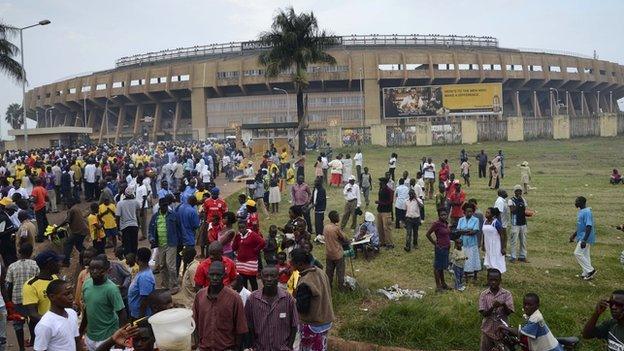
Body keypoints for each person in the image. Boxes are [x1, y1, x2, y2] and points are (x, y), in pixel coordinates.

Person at [192, 261, 248, 351]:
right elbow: (194, 323)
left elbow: (240, 328)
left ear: (224, 275)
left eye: (218, 275)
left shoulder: (234, 298)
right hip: (204, 348)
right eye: (212, 274)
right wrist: (198, 344)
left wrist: (236, 348)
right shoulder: (200, 296)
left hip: (226, 348)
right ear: (208, 275)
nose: (215, 278)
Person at [245, 266, 298, 351]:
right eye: (266, 276)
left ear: (278, 277)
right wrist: (253, 345)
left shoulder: (288, 299)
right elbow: (249, 325)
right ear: (261, 278)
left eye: (273, 276)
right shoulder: (252, 299)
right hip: (260, 348)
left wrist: (289, 346)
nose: (269, 279)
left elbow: (294, 325)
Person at [80, 254, 127, 351]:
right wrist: (80, 331)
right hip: (90, 337)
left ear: (106, 269)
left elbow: (122, 314)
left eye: (99, 269)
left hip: (107, 337)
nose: (95, 271)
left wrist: (120, 339)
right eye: (92, 268)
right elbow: (87, 309)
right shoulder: (86, 284)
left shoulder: (111, 289)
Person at [291, 248, 334, 351]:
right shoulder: (320, 272)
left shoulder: (305, 283)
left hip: (313, 324)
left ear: (300, 264)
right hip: (326, 320)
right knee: (321, 347)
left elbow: (302, 308)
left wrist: (292, 300)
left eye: (293, 262)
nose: (291, 264)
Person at [498, 293, 563, 351]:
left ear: (537, 306)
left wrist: (503, 327)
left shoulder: (536, 318)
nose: (526, 307)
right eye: (525, 304)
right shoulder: (531, 315)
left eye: (530, 305)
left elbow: (520, 333)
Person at [22, 250, 62, 342]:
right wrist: (54, 324)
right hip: (43, 330)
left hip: (59, 328)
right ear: (49, 265)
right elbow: (33, 314)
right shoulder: (31, 285)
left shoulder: (55, 279)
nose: (60, 264)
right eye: (57, 261)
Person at [6, 243, 39, 351]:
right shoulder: (35, 265)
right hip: (32, 299)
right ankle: (34, 342)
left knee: (18, 324)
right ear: (31, 253)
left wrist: (9, 301)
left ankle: (21, 348)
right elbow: (38, 281)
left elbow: (9, 285)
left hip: (17, 299)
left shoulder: (12, 266)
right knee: (33, 320)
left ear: (19, 253)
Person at [32, 280, 81, 351]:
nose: (71, 297)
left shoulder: (72, 313)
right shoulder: (45, 325)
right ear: (52, 297)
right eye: (66, 294)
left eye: (71, 293)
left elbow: (76, 340)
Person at [148, 197, 181, 294]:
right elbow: (150, 229)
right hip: (160, 244)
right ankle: (165, 285)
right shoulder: (155, 217)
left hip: (171, 243)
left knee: (171, 266)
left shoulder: (173, 215)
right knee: (162, 265)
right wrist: (151, 238)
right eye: (163, 206)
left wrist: (180, 242)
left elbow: (179, 229)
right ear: (160, 206)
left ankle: (174, 285)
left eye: (166, 205)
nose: (165, 207)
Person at [478, 268, 514, 351]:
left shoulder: (506, 294)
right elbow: (484, 314)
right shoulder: (483, 295)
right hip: (487, 330)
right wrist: (492, 307)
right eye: (491, 280)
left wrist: (503, 304)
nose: (493, 282)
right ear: (487, 280)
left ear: (500, 280)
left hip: (502, 332)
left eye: (496, 280)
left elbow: (509, 313)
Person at [569, 196, 597, 280]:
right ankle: (586, 272)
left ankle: (591, 270)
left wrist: (584, 240)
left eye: (577, 201)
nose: (575, 203)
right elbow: (581, 226)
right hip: (581, 236)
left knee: (577, 253)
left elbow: (588, 226)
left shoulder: (587, 212)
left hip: (586, 237)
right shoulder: (581, 211)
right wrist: (574, 235)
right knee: (585, 254)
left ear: (582, 202)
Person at [425, 208, 452, 292]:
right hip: (440, 248)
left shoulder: (446, 223)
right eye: (442, 215)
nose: (444, 216)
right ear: (439, 216)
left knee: (442, 267)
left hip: (446, 247)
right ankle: (438, 286)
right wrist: (435, 243)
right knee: (437, 267)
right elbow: (428, 234)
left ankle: (443, 283)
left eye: (445, 215)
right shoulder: (437, 224)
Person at [232, 225, 265, 291]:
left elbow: (262, 242)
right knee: (243, 281)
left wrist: (255, 250)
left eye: (243, 227)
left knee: (252, 281)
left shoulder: (253, 235)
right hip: (241, 263)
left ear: (246, 227)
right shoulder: (238, 236)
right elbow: (234, 247)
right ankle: (245, 297)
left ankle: (255, 295)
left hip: (250, 263)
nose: (241, 229)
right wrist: (236, 238)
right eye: (240, 228)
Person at [127, 247, 156, 320]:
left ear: (137, 258)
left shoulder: (144, 277)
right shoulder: (142, 272)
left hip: (140, 315)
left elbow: (145, 299)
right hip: (136, 313)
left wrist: (140, 318)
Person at [456, 202, 481, 282]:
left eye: (471, 211)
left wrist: (464, 231)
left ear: (473, 212)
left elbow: (474, 231)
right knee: (464, 259)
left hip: (472, 243)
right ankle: (465, 276)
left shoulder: (476, 220)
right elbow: (458, 231)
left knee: (474, 258)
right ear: (464, 212)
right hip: (463, 243)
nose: (469, 213)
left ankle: (475, 275)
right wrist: (468, 231)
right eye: (467, 211)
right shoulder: (461, 220)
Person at [324, 211, 348, 289]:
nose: (339, 218)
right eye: (338, 216)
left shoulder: (326, 227)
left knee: (329, 272)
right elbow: (344, 238)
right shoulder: (336, 228)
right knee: (340, 272)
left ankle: (328, 287)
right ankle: (341, 288)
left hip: (329, 253)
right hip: (338, 254)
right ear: (335, 218)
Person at [115, 187, 141, 255]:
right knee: (134, 244)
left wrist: (118, 229)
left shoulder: (120, 204)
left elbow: (117, 217)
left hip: (125, 227)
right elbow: (139, 209)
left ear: (124, 194)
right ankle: (134, 260)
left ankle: (128, 260)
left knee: (127, 245)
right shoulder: (135, 202)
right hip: (134, 225)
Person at [482, 207, 506, 274]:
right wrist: (483, 244)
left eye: (488, 213)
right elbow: (484, 234)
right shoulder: (484, 222)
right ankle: (490, 277)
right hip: (488, 245)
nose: (486, 214)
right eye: (486, 212)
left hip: (496, 245)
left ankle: (497, 277)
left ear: (492, 215)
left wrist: (503, 247)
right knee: (489, 260)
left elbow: (502, 235)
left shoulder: (496, 223)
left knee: (495, 261)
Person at [508, 185, 528, 263]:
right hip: (515, 223)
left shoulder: (523, 199)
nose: (519, 192)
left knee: (523, 241)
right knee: (514, 241)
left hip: (523, 223)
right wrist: (519, 205)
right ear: (514, 192)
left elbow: (524, 210)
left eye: (520, 191)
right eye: (517, 191)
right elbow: (512, 210)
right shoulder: (511, 200)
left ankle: (522, 256)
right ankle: (513, 257)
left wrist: (528, 213)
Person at [376, 177, 394, 249]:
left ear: (384, 183)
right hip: (380, 211)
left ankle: (389, 243)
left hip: (386, 211)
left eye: (380, 182)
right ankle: (382, 242)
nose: (379, 183)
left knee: (386, 227)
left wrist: (380, 202)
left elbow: (390, 201)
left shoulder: (389, 191)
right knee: (379, 227)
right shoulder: (381, 189)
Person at [30, 178, 49, 243]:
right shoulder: (43, 189)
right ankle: (47, 234)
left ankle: (40, 237)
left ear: (35, 183)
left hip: (38, 207)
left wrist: (31, 201)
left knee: (40, 222)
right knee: (45, 221)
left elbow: (34, 199)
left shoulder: (35, 189)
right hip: (43, 206)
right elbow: (47, 198)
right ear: (41, 183)